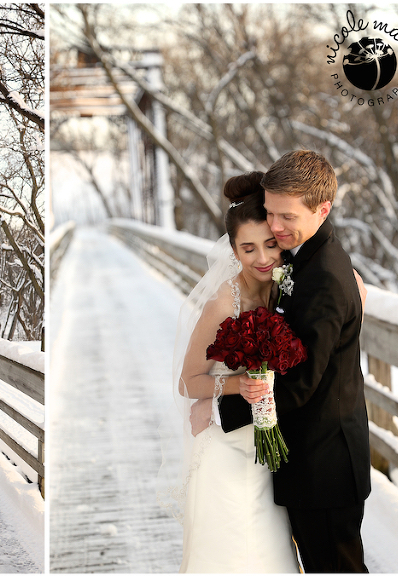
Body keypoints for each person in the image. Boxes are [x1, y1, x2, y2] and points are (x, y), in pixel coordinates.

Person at [193, 150, 371, 572]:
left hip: (324, 464)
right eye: (271, 213)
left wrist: (219, 409)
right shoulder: (301, 257)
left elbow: (301, 383)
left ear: (322, 209)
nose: (275, 227)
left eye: (285, 217)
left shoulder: (323, 275)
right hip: (309, 459)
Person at [157, 172, 300, 572]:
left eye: (270, 245)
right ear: (233, 252)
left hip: (270, 453)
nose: (262, 258)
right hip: (225, 450)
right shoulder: (223, 303)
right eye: (248, 248)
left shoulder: (285, 287)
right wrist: (239, 384)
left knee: (273, 556)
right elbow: (189, 380)